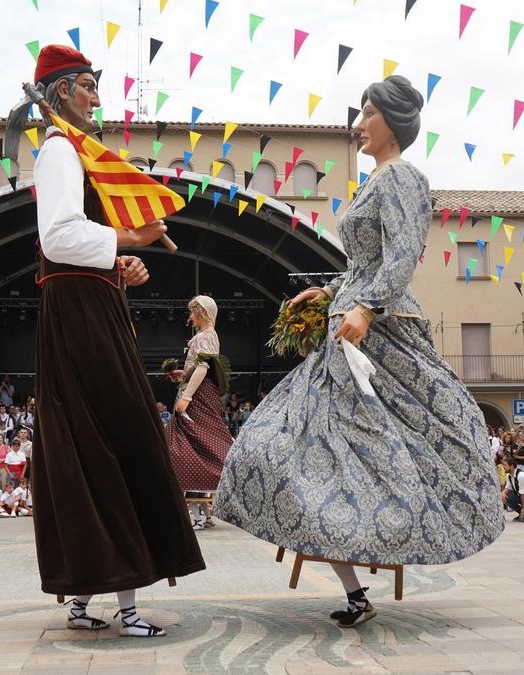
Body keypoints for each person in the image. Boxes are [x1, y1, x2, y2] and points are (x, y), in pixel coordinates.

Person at [215, 75, 504, 628]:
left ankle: (391, 538)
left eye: (367, 112)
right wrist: (328, 291)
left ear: (392, 121)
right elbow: (367, 263)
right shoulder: (376, 180)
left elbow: (399, 257)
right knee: (296, 448)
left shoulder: (401, 177)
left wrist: (365, 307)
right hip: (346, 331)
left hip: (377, 336)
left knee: (364, 449)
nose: (357, 125)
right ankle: (354, 589)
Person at [25, 43, 204, 638]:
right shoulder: (57, 150)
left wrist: (118, 266)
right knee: (119, 438)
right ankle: (121, 606)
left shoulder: (73, 152)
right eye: (85, 85)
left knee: (88, 446)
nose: (96, 97)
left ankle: (85, 597)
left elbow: (74, 247)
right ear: (60, 92)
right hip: (80, 319)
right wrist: (131, 238)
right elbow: (58, 237)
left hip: (86, 305)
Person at [166, 295, 235, 529]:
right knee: (199, 448)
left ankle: (197, 514)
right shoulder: (208, 337)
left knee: (187, 450)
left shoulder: (205, 336)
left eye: (193, 312)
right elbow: (198, 368)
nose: (190, 317)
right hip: (202, 395)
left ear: (203, 313)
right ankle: (202, 513)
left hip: (197, 398)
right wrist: (182, 374)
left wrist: (186, 397)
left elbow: (203, 367)